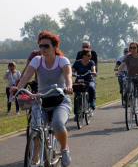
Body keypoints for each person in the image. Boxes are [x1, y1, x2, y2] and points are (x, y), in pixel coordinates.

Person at [10, 31, 73, 166]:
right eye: (40, 46)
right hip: (41, 100)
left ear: (55, 47)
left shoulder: (62, 60)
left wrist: (68, 87)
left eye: (46, 46)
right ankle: (34, 158)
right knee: (36, 128)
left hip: (60, 100)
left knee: (57, 124)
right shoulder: (37, 60)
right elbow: (26, 76)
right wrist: (18, 88)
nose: (42, 49)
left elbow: (68, 76)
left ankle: (64, 149)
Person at [115, 41, 138, 121]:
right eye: (131, 48)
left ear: (137, 49)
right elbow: (123, 64)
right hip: (130, 77)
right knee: (127, 91)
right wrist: (118, 72)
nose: (132, 49)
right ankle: (130, 103)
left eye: (134, 47)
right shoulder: (128, 56)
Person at [72, 49, 98, 120]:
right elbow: (72, 70)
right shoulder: (77, 62)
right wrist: (71, 73)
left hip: (89, 80)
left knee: (91, 87)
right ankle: (76, 114)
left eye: (90, 55)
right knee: (76, 96)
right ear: (83, 56)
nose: (90, 56)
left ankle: (91, 101)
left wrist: (94, 72)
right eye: (88, 55)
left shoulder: (91, 62)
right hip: (79, 80)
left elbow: (93, 69)